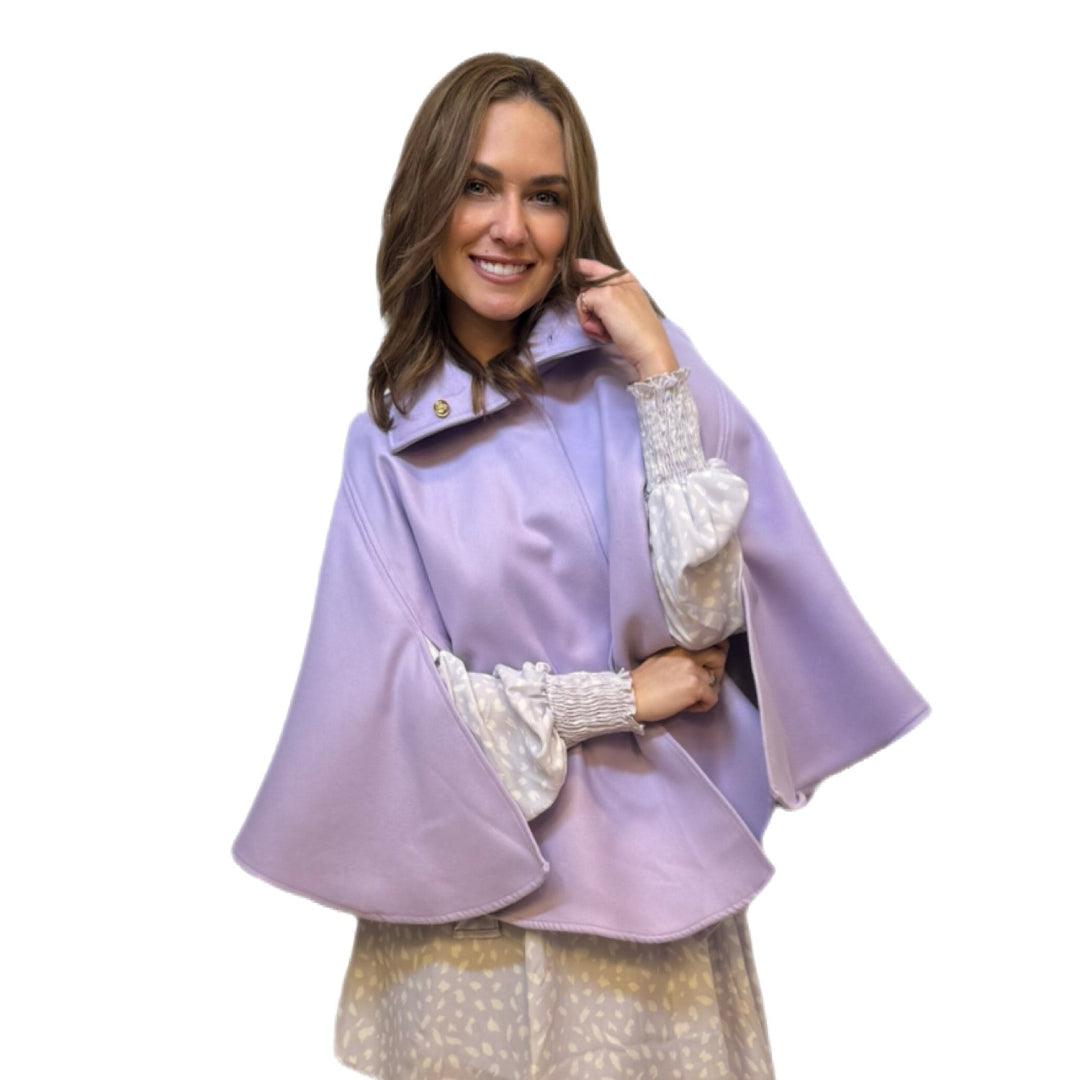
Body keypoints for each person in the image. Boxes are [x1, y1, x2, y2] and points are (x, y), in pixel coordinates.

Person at [233, 54, 928, 1079]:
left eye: (545, 196)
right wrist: (622, 699)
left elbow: (715, 622)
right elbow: (399, 717)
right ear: (428, 201)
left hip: (651, 905)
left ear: (576, 217)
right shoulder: (383, 450)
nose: (510, 227)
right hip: (462, 926)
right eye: (478, 186)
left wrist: (657, 370)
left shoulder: (646, 372)